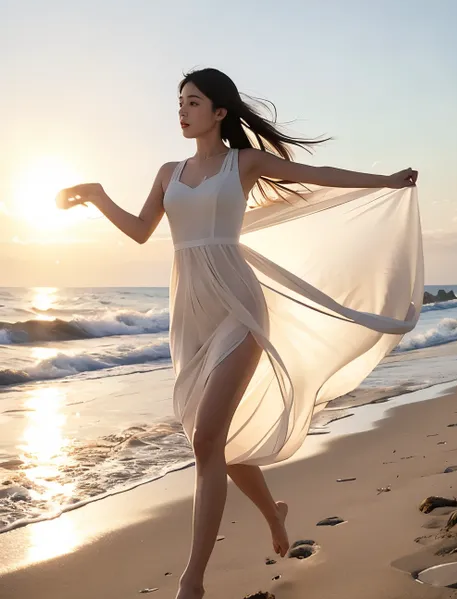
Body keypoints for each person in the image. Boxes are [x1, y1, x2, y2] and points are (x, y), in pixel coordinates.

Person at [56, 68, 420, 599]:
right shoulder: (168, 171)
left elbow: (316, 175)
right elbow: (139, 233)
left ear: (219, 111)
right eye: (179, 102)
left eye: (193, 102)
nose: (182, 110)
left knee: (206, 441)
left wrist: (385, 182)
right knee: (216, 441)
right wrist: (94, 194)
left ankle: (192, 581)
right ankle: (274, 513)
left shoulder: (242, 162)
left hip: (240, 309)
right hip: (191, 319)